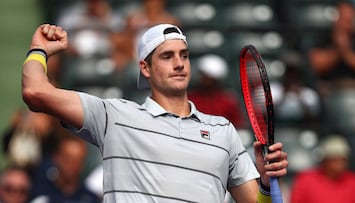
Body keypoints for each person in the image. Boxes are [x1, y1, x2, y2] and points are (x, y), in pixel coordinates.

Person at [22, 23, 288, 202]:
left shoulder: (223, 131)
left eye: (184, 55)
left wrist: (265, 182)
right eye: (167, 56)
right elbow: (35, 92)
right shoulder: (114, 116)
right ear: (145, 68)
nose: (179, 64)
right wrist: (39, 50)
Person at [289, 134, 355, 203]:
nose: (339, 164)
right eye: (334, 159)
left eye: (343, 160)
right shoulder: (306, 180)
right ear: (324, 161)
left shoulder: (353, 181)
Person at [30, 134, 100, 203]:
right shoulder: (40, 193)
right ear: (56, 158)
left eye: (79, 160)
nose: (74, 165)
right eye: (68, 159)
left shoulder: (90, 198)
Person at [308, 1, 355, 85]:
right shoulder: (323, 38)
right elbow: (315, 64)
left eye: (349, 21)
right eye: (343, 20)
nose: (346, 25)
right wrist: (336, 51)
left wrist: (346, 52)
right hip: (329, 91)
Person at [188, 54, 246, 129]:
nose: (204, 79)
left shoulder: (228, 101)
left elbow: (238, 125)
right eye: (203, 75)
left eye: (208, 77)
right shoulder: (189, 98)